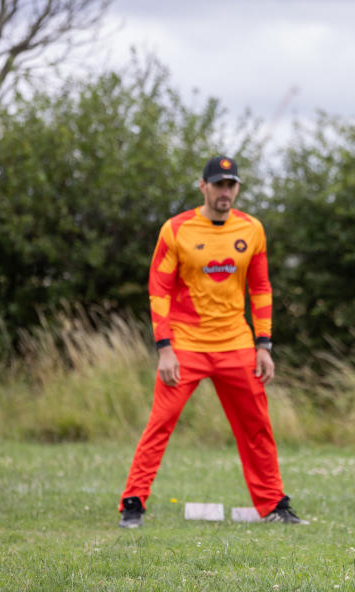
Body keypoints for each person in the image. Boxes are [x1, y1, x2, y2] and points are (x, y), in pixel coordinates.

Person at [118, 155, 307, 528]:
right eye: (218, 184)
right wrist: (164, 348)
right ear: (202, 186)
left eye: (231, 184)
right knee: (161, 423)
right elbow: (158, 289)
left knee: (257, 427)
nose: (225, 191)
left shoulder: (252, 230)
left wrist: (264, 345)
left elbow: (261, 288)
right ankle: (133, 503)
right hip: (185, 346)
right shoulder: (176, 229)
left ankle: (274, 506)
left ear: (237, 188)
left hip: (236, 344)